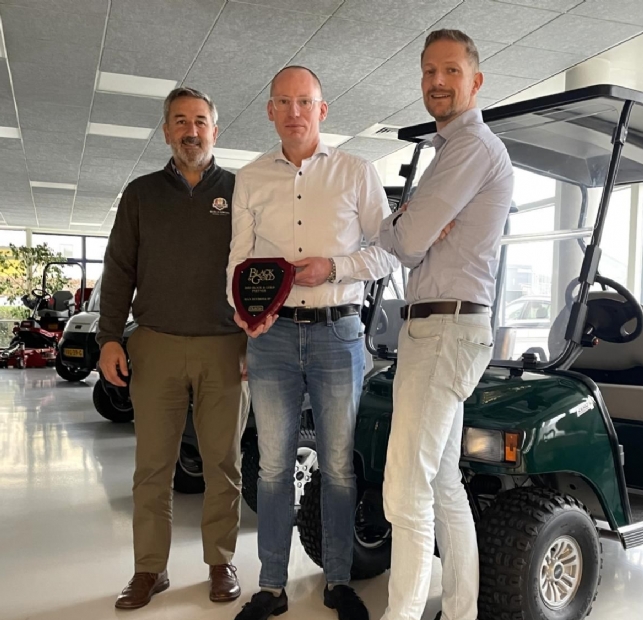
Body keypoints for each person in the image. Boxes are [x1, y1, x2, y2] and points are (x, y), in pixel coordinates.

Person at [227, 65, 398, 620]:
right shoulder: (251, 178)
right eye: (284, 102)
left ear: (322, 110)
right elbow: (238, 258)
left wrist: (334, 267)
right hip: (272, 337)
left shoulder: (356, 172)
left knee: (339, 467)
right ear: (270, 111)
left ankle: (339, 581)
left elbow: (389, 251)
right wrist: (242, 310)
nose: (294, 112)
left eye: (305, 102)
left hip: (338, 334)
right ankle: (271, 586)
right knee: (272, 467)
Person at [376, 29, 514, 620]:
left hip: (443, 330)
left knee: (405, 488)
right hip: (444, 328)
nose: (437, 81)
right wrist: (413, 223)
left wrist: (399, 221)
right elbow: (416, 237)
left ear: (475, 81)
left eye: (451, 70)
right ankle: (461, 612)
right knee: (440, 485)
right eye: (429, 70)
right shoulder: (451, 150)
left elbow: (406, 243)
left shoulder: (469, 147)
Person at [97, 86, 248, 610]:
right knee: (152, 467)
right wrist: (109, 337)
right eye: (180, 121)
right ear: (166, 131)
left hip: (225, 346)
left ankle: (221, 561)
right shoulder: (141, 194)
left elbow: (261, 270)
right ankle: (149, 569)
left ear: (215, 130)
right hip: (155, 344)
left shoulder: (241, 191)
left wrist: (257, 338)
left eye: (200, 121)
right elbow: (118, 269)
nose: (191, 131)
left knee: (223, 463)